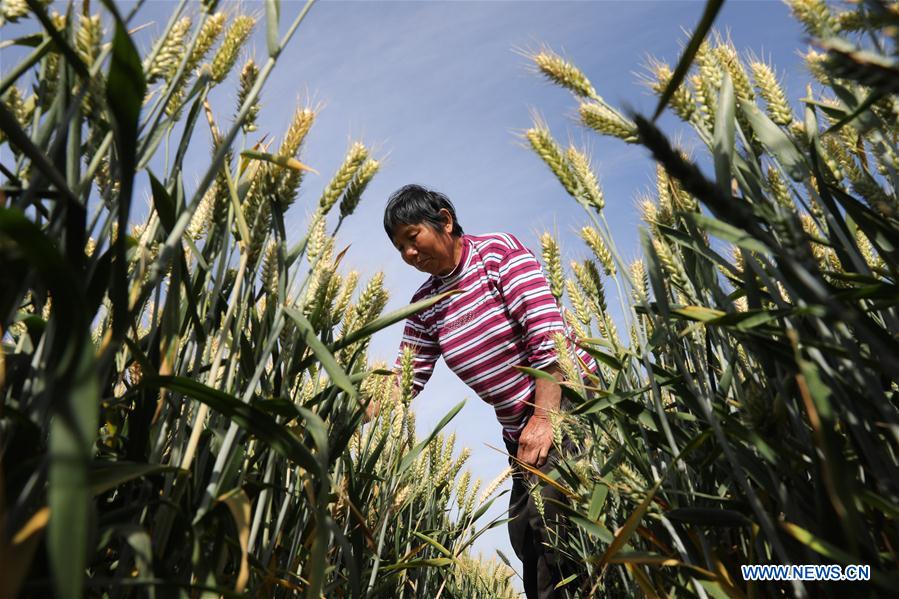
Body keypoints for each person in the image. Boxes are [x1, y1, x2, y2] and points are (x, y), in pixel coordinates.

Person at [380, 184, 598, 599]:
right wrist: (347, 408)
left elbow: (548, 336)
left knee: (557, 538)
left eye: (412, 237)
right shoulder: (426, 303)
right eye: (399, 248)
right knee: (526, 538)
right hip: (519, 429)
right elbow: (405, 379)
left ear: (445, 221)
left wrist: (544, 417)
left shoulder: (497, 254)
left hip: (566, 403)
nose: (409, 253)